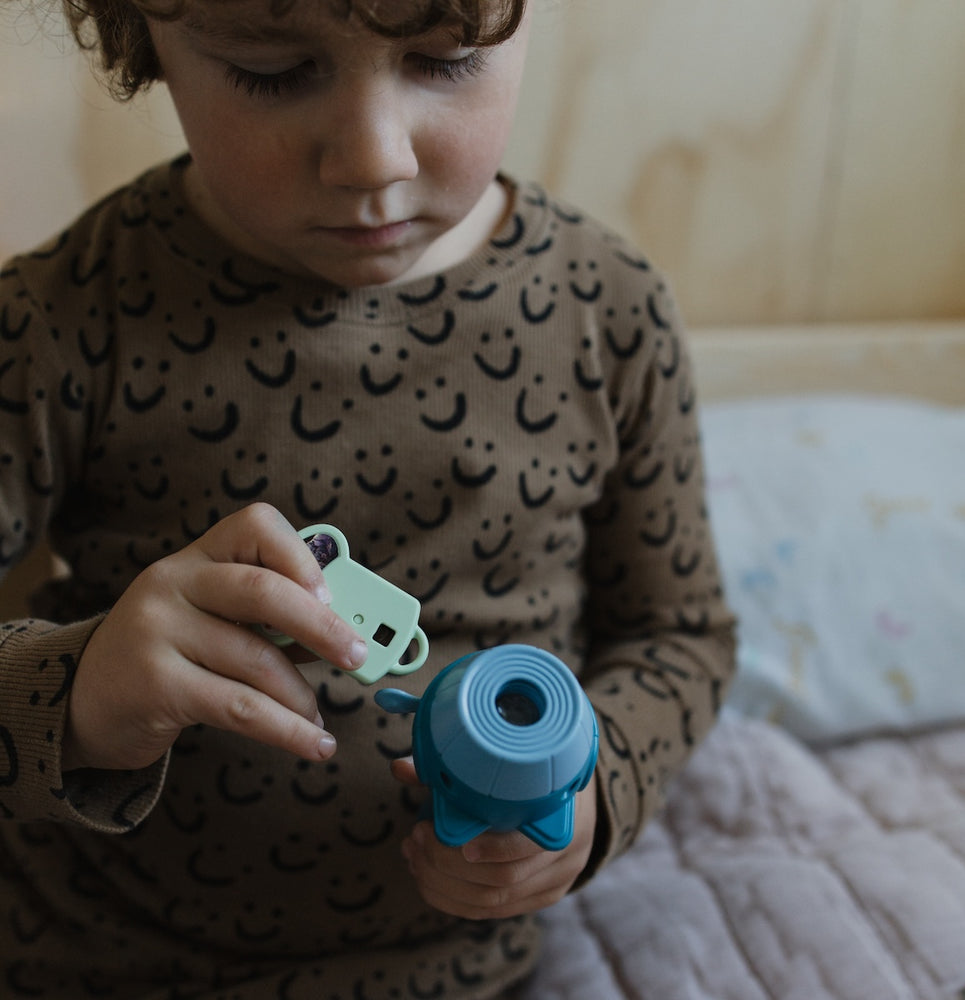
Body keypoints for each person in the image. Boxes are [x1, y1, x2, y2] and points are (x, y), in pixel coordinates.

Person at [0, 0, 737, 996]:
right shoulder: (57, 318)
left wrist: (595, 792)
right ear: (147, 37)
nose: (372, 158)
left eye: (445, 58)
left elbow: (679, 633)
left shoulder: (609, 312)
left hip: (458, 973)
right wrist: (78, 694)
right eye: (272, 73)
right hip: (101, 958)